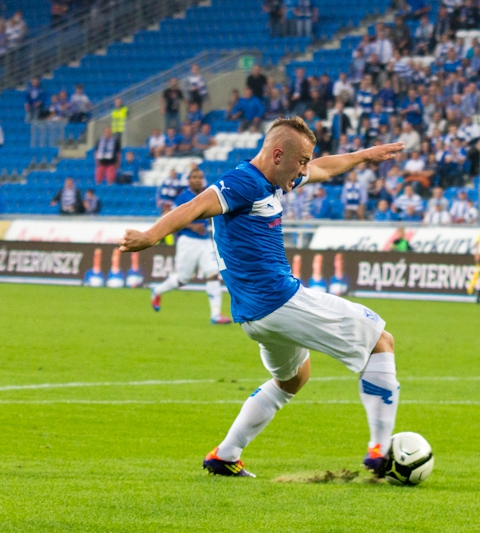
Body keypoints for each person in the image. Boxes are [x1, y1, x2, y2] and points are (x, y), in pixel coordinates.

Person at [118, 117, 404, 478]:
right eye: (300, 161)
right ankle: (380, 451)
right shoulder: (243, 182)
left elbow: (322, 169)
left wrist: (364, 155)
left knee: (294, 379)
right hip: (279, 301)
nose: (303, 170)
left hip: (256, 318)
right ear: (278, 154)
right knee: (381, 341)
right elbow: (194, 207)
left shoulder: (274, 180)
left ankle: (225, 454)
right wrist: (150, 236)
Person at [149, 169, 233, 324]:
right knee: (183, 279)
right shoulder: (183, 197)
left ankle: (215, 315)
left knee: (213, 273)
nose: (197, 180)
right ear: (188, 180)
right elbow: (171, 218)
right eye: (194, 177)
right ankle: (157, 290)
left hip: (204, 241)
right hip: (187, 241)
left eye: (200, 177)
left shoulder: (206, 195)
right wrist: (192, 226)